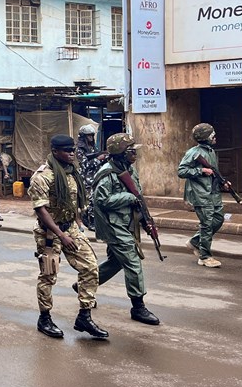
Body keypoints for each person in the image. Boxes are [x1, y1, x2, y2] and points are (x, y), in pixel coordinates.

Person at [29, 134, 108, 340]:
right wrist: (61, 235)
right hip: (50, 232)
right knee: (48, 275)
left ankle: (84, 316)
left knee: (90, 267)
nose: (72, 153)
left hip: (70, 227)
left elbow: (73, 201)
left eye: (73, 150)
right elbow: (41, 210)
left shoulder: (72, 172)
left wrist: (78, 224)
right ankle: (44, 318)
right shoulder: (43, 176)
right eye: (67, 150)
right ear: (55, 152)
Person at [90, 133, 160, 325]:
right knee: (132, 262)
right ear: (120, 153)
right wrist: (127, 198)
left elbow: (138, 196)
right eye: (131, 151)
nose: (135, 154)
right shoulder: (107, 173)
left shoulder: (129, 170)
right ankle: (138, 307)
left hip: (127, 223)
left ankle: (85, 285)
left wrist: (146, 221)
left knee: (116, 262)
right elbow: (101, 201)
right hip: (114, 225)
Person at [178, 123, 229, 268]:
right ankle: (204, 256)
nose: (215, 137)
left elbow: (214, 172)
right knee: (206, 224)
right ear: (206, 138)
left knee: (218, 219)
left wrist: (222, 182)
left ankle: (195, 242)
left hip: (213, 192)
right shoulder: (193, 153)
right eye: (212, 135)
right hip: (200, 194)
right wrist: (201, 171)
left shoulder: (211, 152)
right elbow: (181, 171)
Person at [76, 125, 107, 230]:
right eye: (88, 135)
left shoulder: (93, 147)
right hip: (86, 179)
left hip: (96, 177)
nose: (91, 137)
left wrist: (103, 158)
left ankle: (96, 221)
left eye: (92, 135)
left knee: (97, 200)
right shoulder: (80, 149)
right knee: (90, 201)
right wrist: (98, 159)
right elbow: (85, 165)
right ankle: (90, 222)